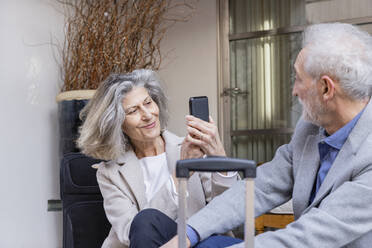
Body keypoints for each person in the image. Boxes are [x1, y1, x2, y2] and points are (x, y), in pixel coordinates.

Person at [160, 22, 372, 248]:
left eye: (299, 79)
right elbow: (260, 188)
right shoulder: (309, 129)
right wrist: (189, 233)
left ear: (326, 89)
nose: (294, 90)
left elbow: (308, 237)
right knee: (178, 235)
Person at [77, 69, 239, 248]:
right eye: (133, 111)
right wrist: (181, 174)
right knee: (145, 220)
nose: (147, 115)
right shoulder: (110, 173)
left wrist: (220, 158)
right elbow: (130, 232)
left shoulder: (191, 148)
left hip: (197, 242)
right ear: (118, 124)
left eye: (148, 102)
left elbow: (229, 210)